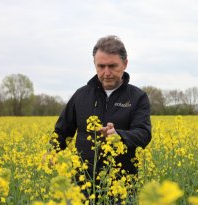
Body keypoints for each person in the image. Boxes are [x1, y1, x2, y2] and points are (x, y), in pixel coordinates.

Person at [54, 35, 152, 182]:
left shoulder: (138, 97)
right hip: (82, 185)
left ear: (125, 64)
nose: (106, 73)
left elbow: (144, 134)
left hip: (121, 185)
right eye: (101, 66)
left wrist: (119, 135)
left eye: (112, 66)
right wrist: (52, 152)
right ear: (94, 64)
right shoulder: (80, 95)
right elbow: (62, 131)